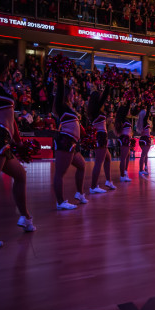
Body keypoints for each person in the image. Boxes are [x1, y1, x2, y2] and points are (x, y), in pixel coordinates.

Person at [0, 52, 35, 248]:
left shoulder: (0, 88)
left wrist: (18, 141)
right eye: (7, 68)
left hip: (4, 142)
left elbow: (11, 121)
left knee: (20, 175)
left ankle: (25, 218)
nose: (10, 71)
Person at [53, 77, 87, 210]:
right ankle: (60, 202)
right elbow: (60, 91)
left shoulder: (69, 108)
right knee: (60, 173)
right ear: (67, 94)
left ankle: (79, 193)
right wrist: (61, 78)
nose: (74, 95)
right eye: (72, 93)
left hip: (72, 143)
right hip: (65, 141)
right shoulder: (61, 107)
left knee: (82, 165)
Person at [87, 85, 116, 194]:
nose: (101, 100)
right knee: (99, 162)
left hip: (101, 136)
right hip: (100, 137)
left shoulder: (95, 110)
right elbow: (104, 98)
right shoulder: (95, 110)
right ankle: (93, 186)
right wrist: (109, 85)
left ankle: (108, 181)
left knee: (108, 159)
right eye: (99, 97)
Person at [115, 98, 132, 182]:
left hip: (126, 138)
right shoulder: (122, 119)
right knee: (123, 158)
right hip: (124, 138)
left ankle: (125, 172)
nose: (128, 111)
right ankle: (122, 176)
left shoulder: (124, 119)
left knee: (127, 156)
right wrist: (129, 99)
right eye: (127, 110)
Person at [137, 105, 152, 175]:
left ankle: (145, 167)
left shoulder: (140, 122)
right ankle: (140, 170)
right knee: (143, 155)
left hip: (141, 139)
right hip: (146, 139)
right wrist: (148, 105)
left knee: (145, 154)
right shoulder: (144, 122)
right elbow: (147, 115)